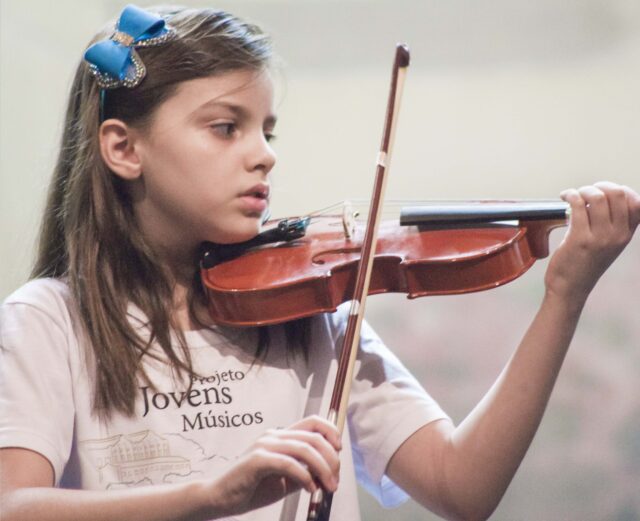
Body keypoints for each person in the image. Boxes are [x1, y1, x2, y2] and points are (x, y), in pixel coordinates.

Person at [1, 5, 639, 521]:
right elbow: (12, 505)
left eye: (267, 130)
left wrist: (565, 295)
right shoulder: (51, 323)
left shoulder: (309, 314)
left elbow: (462, 485)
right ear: (123, 148)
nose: (264, 155)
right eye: (226, 127)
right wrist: (211, 497)